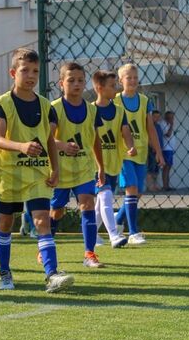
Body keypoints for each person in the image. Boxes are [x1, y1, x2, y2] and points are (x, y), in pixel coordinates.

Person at [0, 47, 73, 292]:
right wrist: (22, 146)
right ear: (13, 73)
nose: (31, 76)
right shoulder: (3, 103)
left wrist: (55, 168)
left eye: (35, 71)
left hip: (37, 173)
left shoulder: (45, 105)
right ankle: (4, 272)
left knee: (42, 220)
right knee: (6, 222)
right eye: (25, 70)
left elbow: (49, 140)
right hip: (9, 174)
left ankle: (52, 274)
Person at [48, 62, 106, 268]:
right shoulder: (54, 108)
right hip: (60, 170)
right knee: (57, 211)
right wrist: (63, 145)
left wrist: (101, 166)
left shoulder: (92, 110)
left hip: (84, 168)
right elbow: (46, 138)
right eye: (71, 80)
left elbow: (96, 140)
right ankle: (46, 246)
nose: (76, 84)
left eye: (80, 80)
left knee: (87, 204)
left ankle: (89, 254)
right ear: (61, 83)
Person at [113, 63, 164, 245]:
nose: (133, 80)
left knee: (138, 193)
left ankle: (118, 219)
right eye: (129, 78)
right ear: (121, 80)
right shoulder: (115, 101)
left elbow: (150, 128)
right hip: (123, 153)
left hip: (141, 153)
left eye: (135, 77)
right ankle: (133, 233)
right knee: (132, 189)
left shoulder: (144, 101)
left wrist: (158, 151)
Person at [92, 70, 135, 248]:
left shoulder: (119, 111)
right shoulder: (90, 110)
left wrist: (130, 146)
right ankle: (114, 235)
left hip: (113, 163)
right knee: (106, 195)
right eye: (112, 86)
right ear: (99, 88)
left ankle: (91, 233)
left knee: (100, 202)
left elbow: (126, 132)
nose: (116, 88)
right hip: (95, 165)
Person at [158, 111, 177, 190]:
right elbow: (168, 134)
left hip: (170, 149)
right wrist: (171, 125)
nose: (172, 119)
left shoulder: (168, 124)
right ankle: (165, 186)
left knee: (169, 167)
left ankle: (167, 185)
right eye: (170, 117)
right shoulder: (162, 124)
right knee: (166, 167)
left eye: (172, 118)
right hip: (166, 149)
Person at [146, 110, 164, 192]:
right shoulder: (149, 125)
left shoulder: (158, 126)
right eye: (155, 116)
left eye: (158, 117)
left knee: (157, 169)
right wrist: (153, 147)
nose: (156, 118)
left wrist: (159, 150)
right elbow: (148, 138)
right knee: (151, 168)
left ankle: (155, 185)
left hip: (159, 151)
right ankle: (150, 186)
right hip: (152, 150)